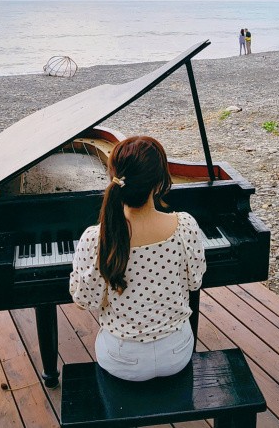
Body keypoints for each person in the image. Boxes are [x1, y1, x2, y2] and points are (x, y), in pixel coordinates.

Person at [70, 136, 206, 381]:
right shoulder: (185, 225)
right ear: (161, 182)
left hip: (122, 359)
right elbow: (194, 283)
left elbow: (84, 301)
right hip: (177, 352)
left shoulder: (97, 237)